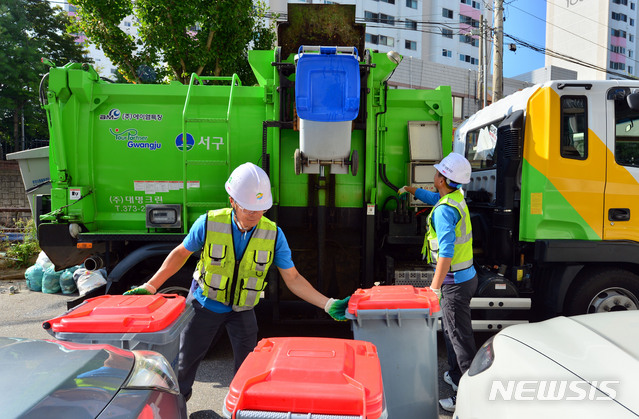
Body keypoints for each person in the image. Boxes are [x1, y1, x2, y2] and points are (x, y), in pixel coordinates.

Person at [125, 162, 350, 401]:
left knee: (248, 369)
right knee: (185, 365)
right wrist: (151, 285)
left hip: (242, 310)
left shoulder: (274, 234)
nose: (255, 214)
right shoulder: (209, 223)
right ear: (232, 201)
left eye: (260, 208)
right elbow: (180, 254)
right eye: (248, 208)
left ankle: (240, 408)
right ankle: (176, 407)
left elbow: (293, 278)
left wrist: (327, 304)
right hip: (204, 305)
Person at [398, 152, 477, 413]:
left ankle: (467, 398)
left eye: (437, 173)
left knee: (459, 338)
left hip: (454, 283)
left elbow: (446, 253)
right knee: (453, 333)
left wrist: (433, 289)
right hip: (464, 278)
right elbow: (433, 198)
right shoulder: (454, 199)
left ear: (442, 179)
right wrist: (411, 189)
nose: (434, 175)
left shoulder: (444, 212)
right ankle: (455, 377)